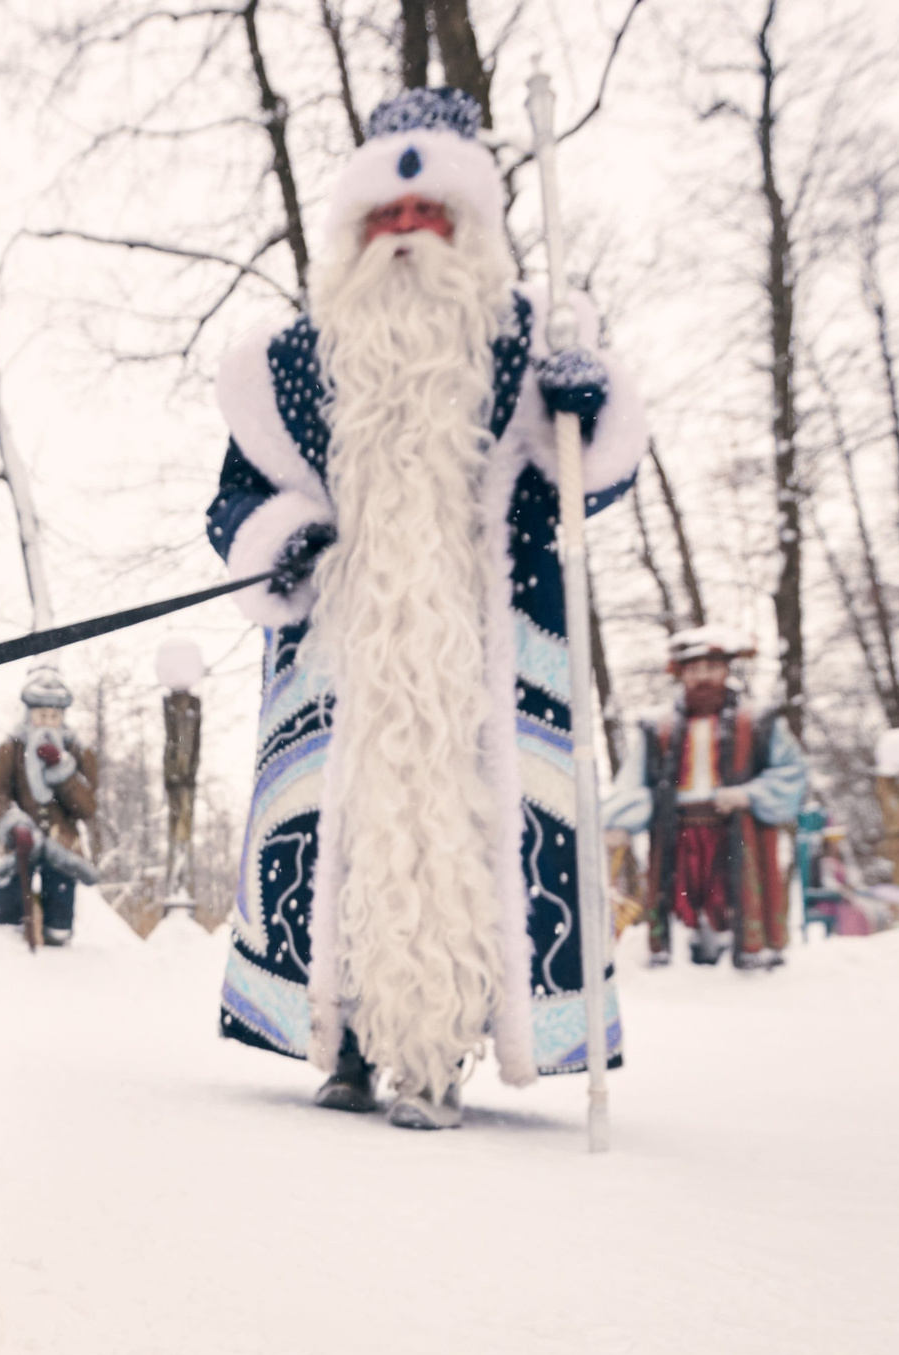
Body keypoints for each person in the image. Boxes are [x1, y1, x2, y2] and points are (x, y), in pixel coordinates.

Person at [203, 87, 648, 1127]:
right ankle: (347, 1042)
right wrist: (280, 542)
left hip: (487, 650)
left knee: (473, 845)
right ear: (354, 229)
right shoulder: (288, 365)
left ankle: (440, 1056)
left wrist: (587, 415)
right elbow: (238, 499)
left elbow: (581, 487)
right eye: (386, 217)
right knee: (341, 845)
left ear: (470, 225)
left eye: (427, 215)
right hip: (339, 647)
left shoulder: (533, 344)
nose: (405, 236)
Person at [603, 627, 809, 969]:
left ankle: (746, 957)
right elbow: (633, 780)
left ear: (726, 670)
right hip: (677, 832)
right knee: (676, 897)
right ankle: (681, 962)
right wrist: (620, 820)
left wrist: (748, 794)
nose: (702, 677)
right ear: (681, 674)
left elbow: (792, 770)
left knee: (738, 894)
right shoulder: (657, 727)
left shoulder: (757, 720)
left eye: (711, 668)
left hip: (738, 829)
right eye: (693, 669)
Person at [0, 668, 99, 947]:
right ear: (29, 714)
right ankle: (12, 955)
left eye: (54, 716)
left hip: (63, 844)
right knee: (11, 914)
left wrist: (62, 771)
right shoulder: (11, 748)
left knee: (60, 917)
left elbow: (87, 807)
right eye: (41, 715)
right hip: (19, 843)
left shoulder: (78, 752)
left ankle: (58, 954)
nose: (48, 722)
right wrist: (14, 824)